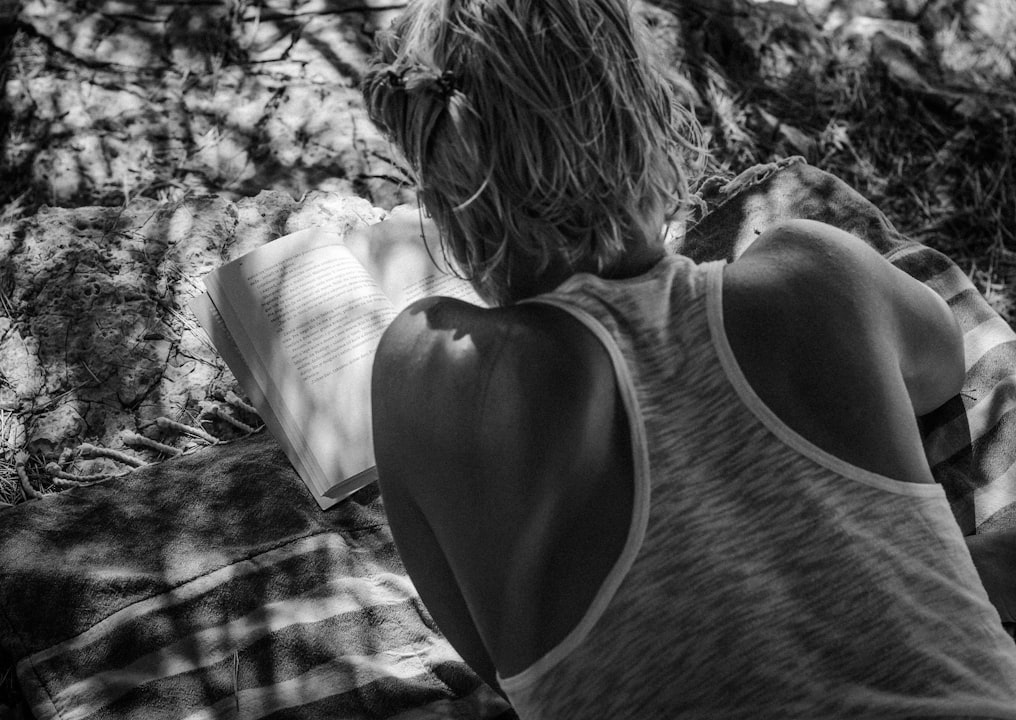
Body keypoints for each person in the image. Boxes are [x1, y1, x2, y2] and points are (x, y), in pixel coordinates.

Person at [361, 0, 1016, 716]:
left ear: (447, 192)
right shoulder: (819, 274)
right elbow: (944, 366)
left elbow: (499, 665)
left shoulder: (429, 377)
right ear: (659, 115)